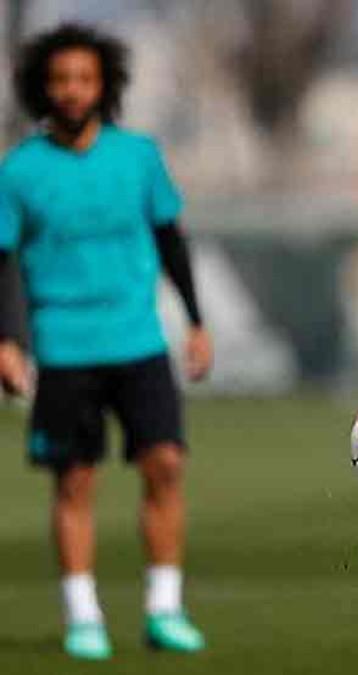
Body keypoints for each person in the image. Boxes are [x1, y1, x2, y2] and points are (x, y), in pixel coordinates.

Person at [0, 23, 211, 660]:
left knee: (166, 465)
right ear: (42, 87)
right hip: (63, 345)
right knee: (74, 482)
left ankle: (164, 608)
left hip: (138, 339)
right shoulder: (19, 170)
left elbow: (171, 240)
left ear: (104, 85)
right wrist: (8, 342)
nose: (71, 90)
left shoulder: (139, 155)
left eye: (83, 78)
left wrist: (197, 322)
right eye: (60, 79)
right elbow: (1, 261)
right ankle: (83, 615)